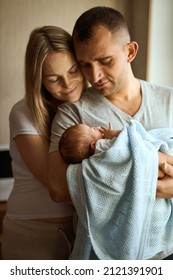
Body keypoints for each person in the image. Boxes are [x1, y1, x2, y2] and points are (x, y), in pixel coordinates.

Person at [48, 7, 173, 259]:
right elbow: (59, 188)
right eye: (84, 65)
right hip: (105, 257)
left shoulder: (169, 100)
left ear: (130, 51)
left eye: (105, 61)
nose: (94, 76)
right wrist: (153, 172)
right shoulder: (73, 114)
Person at [1, 25, 86, 260]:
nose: (67, 84)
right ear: (38, 80)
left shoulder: (88, 106)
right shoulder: (23, 112)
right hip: (33, 231)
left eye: (73, 71)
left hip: (82, 231)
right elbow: (55, 184)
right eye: (53, 78)